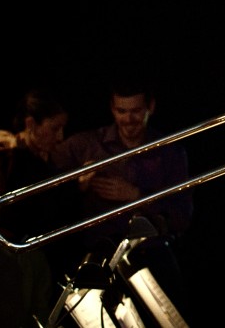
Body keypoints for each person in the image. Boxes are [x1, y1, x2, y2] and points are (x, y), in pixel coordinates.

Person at [50, 72, 194, 312]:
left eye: (136, 111)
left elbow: (182, 217)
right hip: (100, 260)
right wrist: (77, 184)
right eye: (121, 111)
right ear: (112, 109)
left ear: (151, 107)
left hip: (153, 256)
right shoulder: (87, 144)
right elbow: (45, 164)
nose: (128, 119)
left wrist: (137, 196)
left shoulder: (171, 152)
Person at [0, 88, 76, 328]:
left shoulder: (45, 157)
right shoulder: (10, 154)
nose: (60, 137)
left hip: (36, 257)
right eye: (54, 128)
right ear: (30, 124)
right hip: (10, 259)